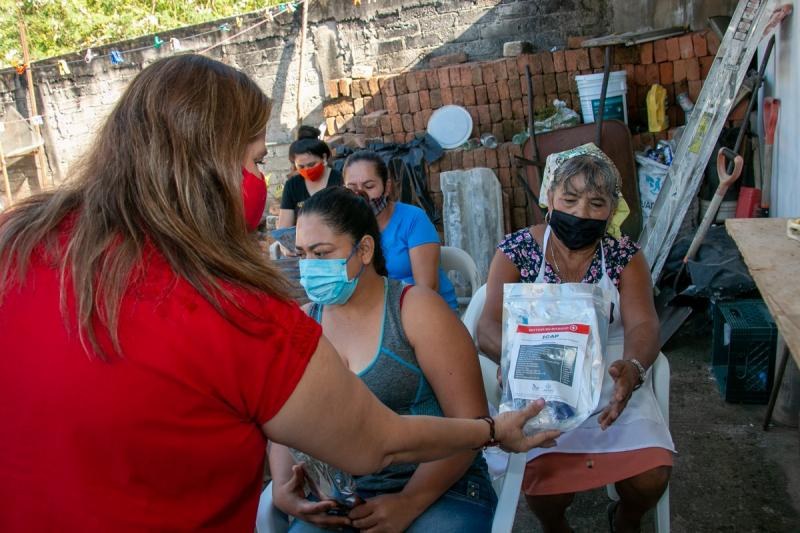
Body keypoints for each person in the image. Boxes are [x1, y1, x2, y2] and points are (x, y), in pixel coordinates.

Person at [0, 54, 559, 533]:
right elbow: (372, 442)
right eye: (250, 161)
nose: (259, 184)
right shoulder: (235, 312)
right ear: (203, 169)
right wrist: (492, 432)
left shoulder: (20, 241)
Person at [269, 187, 504, 532]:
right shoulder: (304, 324)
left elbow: (471, 424)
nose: (309, 268)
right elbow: (283, 421)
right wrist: (281, 486)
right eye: (303, 255)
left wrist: (409, 502)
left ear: (364, 249)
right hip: (345, 497)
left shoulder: (416, 310)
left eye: (321, 254)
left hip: (442, 487)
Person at [476, 144, 674, 533]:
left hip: (609, 384)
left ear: (612, 210)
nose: (581, 213)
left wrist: (632, 369)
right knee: (544, 491)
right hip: (539, 386)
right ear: (549, 198)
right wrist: (519, 361)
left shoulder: (624, 256)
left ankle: (627, 517)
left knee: (651, 478)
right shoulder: (516, 251)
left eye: (596, 203)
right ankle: (557, 526)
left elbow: (642, 326)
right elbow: (486, 328)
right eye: (569, 199)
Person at [342, 150, 458, 311]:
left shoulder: (413, 219)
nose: (361, 194)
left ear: (387, 187)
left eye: (369, 186)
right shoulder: (343, 227)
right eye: (351, 188)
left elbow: (427, 289)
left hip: (424, 312)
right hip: (374, 313)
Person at [277, 125, 343, 232]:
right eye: (301, 167)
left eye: (312, 164)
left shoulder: (340, 180)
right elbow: (284, 228)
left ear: (324, 158)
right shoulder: (292, 185)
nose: (307, 170)